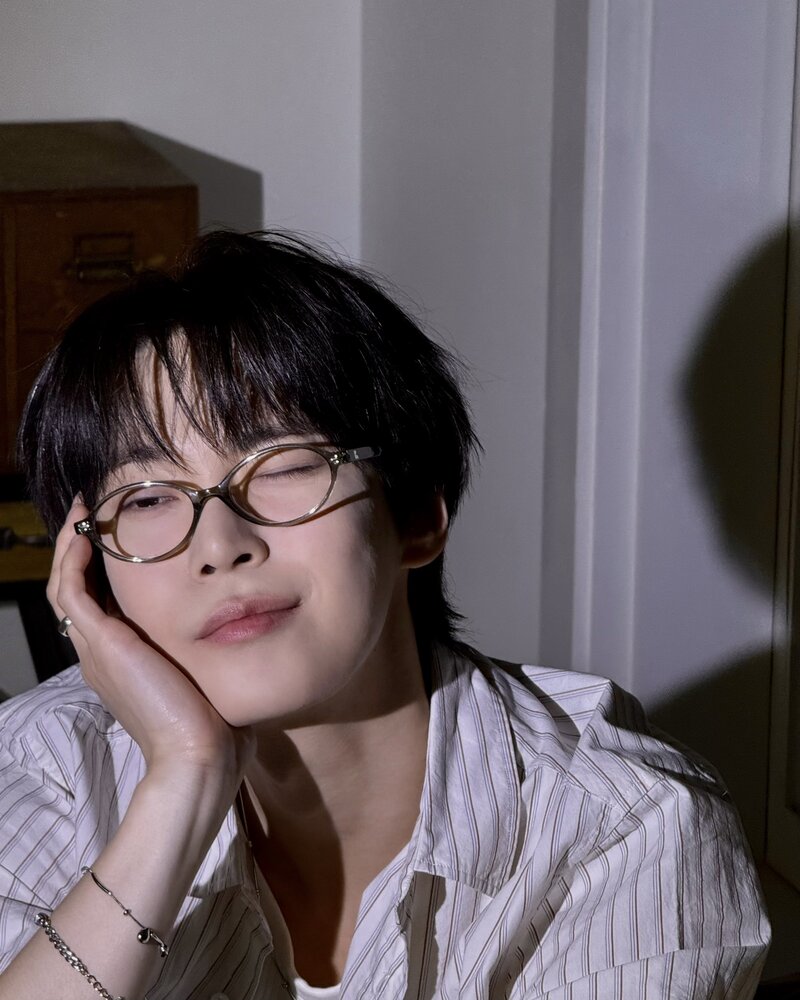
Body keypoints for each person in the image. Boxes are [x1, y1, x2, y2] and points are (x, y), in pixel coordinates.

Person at [0, 231, 769, 999]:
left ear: (417, 516)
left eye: (285, 465)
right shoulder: (48, 764)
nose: (219, 544)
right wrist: (183, 782)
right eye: (147, 500)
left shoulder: (628, 829)